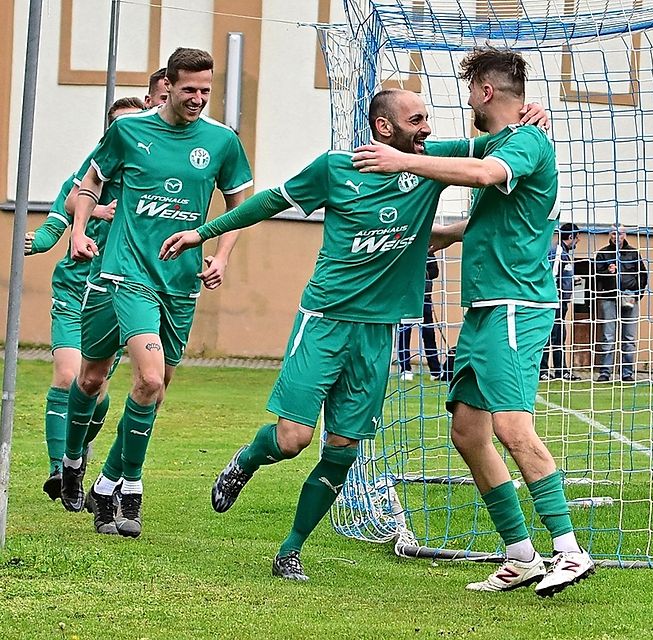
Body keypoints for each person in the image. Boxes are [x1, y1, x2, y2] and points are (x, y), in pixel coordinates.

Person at [161, 88, 551, 581]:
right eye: (417, 119)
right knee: (292, 438)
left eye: (428, 118)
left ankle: (290, 550)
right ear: (385, 129)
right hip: (324, 319)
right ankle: (247, 459)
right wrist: (203, 233)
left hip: (379, 332)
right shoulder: (335, 167)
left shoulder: (427, 165)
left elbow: (499, 147)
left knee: (342, 449)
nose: (428, 128)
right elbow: (267, 201)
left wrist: (533, 114)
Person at [353, 47, 595, 596]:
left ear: (486, 91)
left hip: (516, 306)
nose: (464, 101)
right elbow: (446, 155)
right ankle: (521, 554)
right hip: (484, 310)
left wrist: (404, 161)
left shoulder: (526, 142)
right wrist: (388, 144)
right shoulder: (504, 139)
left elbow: (482, 174)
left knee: (512, 427)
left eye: (469, 91)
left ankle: (569, 550)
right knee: (468, 431)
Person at [66, 48, 253, 537]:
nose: (197, 99)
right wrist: (79, 228)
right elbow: (88, 183)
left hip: (181, 282)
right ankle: (126, 483)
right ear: (167, 86)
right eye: (189, 89)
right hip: (128, 274)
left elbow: (242, 200)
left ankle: (106, 481)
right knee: (129, 378)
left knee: (157, 386)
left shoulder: (221, 142)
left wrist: (223, 253)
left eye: (206, 91)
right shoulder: (129, 131)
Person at [24, 97, 146, 501]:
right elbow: (57, 220)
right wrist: (38, 242)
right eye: (116, 129)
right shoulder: (85, 183)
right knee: (66, 376)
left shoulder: (146, 187)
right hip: (73, 290)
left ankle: (76, 454)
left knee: (94, 391)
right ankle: (60, 471)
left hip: (113, 297)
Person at [594, 226, 647, 383]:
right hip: (609, 298)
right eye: (613, 233)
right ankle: (605, 372)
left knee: (629, 337)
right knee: (607, 336)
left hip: (629, 298)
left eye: (620, 233)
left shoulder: (633, 253)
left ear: (625, 235)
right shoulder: (603, 253)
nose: (617, 236)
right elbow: (595, 275)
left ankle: (626, 373)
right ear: (609, 235)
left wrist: (637, 295)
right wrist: (607, 271)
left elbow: (643, 275)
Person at [540, 222, 580, 381]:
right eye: (577, 238)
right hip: (554, 303)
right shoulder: (557, 252)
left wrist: (571, 281)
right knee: (551, 336)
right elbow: (551, 275)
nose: (577, 242)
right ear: (571, 237)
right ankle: (543, 370)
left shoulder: (563, 253)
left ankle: (561, 370)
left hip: (560, 303)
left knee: (559, 335)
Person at [397, 252, 444, 381]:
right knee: (404, 333)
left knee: (429, 334)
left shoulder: (429, 252)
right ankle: (405, 369)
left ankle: (435, 370)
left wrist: (423, 269)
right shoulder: (407, 249)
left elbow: (435, 272)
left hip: (425, 298)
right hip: (407, 298)